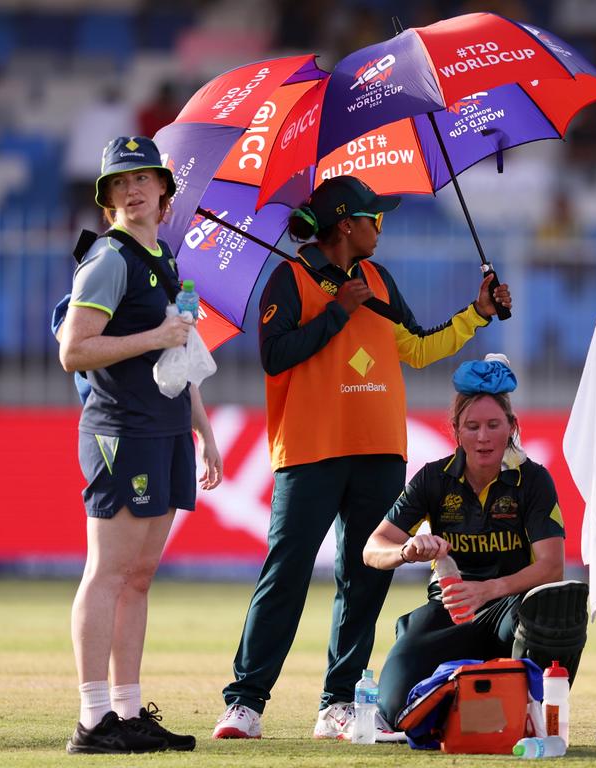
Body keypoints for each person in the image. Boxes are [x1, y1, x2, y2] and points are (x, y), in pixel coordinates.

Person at [212, 175, 512, 742]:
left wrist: (476, 313)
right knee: (287, 574)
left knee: (364, 578)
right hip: (309, 451)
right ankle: (245, 703)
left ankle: (339, 703)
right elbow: (275, 357)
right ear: (347, 223)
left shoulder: (377, 278)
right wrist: (336, 314)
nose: (382, 226)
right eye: (376, 217)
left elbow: (417, 346)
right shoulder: (291, 277)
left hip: (379, 452)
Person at [59, 135, 223, 754]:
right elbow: (72, 350)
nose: (132, 190)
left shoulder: (164, 261)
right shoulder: (110, 259)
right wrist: (156, 333)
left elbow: (180, 357)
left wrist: (202, 430)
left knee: (140, 577)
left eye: (142, 180)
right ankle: (93, 719)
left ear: (163, 191)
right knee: (108, 573)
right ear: (107, 199)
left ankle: (126, 713)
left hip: (163, 430)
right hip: (120, 431)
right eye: (119, 184)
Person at [362, 354, 586, 730]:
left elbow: (552, 566)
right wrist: (406, 551)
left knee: (556, 605)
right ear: (456, 430)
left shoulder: (533, 480)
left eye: (494, 425)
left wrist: (487, 590)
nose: (483, 437)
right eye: (473, 426)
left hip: (510, 610)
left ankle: (534, 714)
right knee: (392, 708)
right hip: (448, 609)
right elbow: (373, 548)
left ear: (511, 427)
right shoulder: (432, 479)